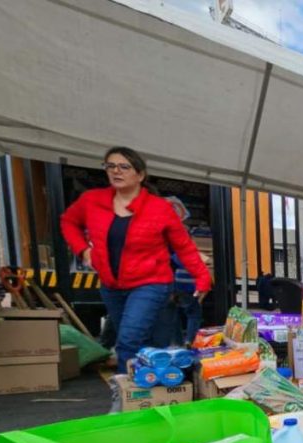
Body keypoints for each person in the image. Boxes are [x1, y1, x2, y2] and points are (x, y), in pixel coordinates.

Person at [60, 147, 211, 373]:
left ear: (140, 175)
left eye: (124, 166)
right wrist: (83, 250)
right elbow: (68, 222)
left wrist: (202, 278)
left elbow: (183, 246)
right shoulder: (92, 201)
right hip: (112, 285)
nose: (116, 171)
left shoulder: (159, 208)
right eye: (110, 166)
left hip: (151, 283)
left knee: (128, 340)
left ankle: (125, 396)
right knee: (143, 341)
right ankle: (150, 386)